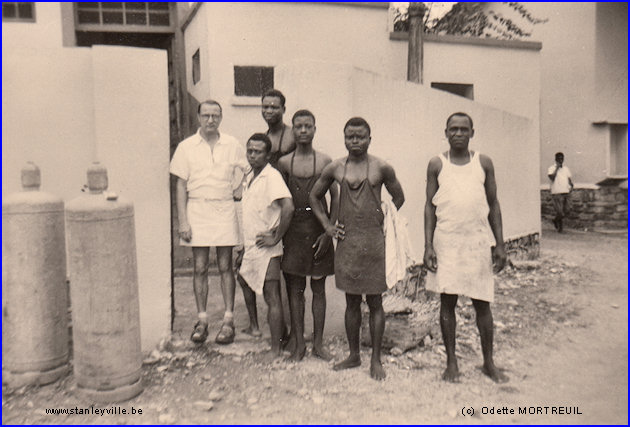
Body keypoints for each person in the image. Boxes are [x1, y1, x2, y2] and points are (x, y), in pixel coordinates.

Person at [310, 117, 405, 380]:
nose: (355, 141)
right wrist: (328, 227)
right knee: (351, 301)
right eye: (350, 136)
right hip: (348, 243)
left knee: (375, 301)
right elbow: (314, 197)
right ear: (344, 138)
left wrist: (386, 220)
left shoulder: (382, 167)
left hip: (374, 243)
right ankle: (354, 355)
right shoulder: (335, 168)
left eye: (360, 136)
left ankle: (376, 359)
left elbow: (399, 197)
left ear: (369, 138)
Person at [423, 112, 508, 383]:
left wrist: (500, 244)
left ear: (473, 132)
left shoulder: (483, 162)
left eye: (463, 129)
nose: (458, 134)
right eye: (453, 129)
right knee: (447, 303)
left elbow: (493, 204)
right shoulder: (437, 164)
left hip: (477, 241)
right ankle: (451, 363)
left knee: (482, 303)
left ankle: (488, 363)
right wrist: (428, 246)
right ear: (445, 132)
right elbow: (429, 206)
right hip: (447, 241)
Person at [170, 99, 249, 345]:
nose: (211, 120)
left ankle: (228, 320)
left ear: (221, 118)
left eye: (215, 115)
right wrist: (183, 221)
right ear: (198, 117)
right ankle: (202, 320)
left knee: (226, 266)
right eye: (206, 115)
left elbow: (248, 169)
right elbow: (180, 184)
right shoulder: (186, 147)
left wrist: (239, 188)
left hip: (224, 207)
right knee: (201, 267)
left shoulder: (231, 144)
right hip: (198, 209)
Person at [277, 109, 338, 362]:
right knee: (295, 288)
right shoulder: (284, 163)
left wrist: (328, 231)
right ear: (293, 129)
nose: (303, 130)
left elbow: (336, 196)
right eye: (298, 126)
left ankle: (319, 344)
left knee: (319, 287)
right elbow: (279, 199)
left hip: (317, 228)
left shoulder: (325, 161)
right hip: (293, 229)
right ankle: (299, 343)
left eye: (308, 126)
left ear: (315, 129)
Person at [235, 133, 294, 359]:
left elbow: (288, 208)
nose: (252, 155)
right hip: (251, 245)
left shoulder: (272, 177)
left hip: (267, 248)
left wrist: (276, 237)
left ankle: (276, 349)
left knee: (272, 296)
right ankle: (255, 326)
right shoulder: (250, 176)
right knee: (243, 278)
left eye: (257, 151)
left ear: (268, 155)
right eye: (249, 150)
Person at [261, 89, 296, 168]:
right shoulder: (263, 138)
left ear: (283, 110)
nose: (269, 111)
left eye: (274, 107)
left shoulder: (293, 135)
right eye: (265, 107)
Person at [547, 152, 574, 232]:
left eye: (562, 158)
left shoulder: (566, 168)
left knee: (568, 209)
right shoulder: (551, 168)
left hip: (566, 192)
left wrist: (571, 185)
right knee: (560, 212)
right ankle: (560, 228)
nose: (560, 160)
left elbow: (569, 179)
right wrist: (557, 168)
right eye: (559, 159)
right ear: (555, 159)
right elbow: (551, 178)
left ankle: (555, 220)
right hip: (557, 192)